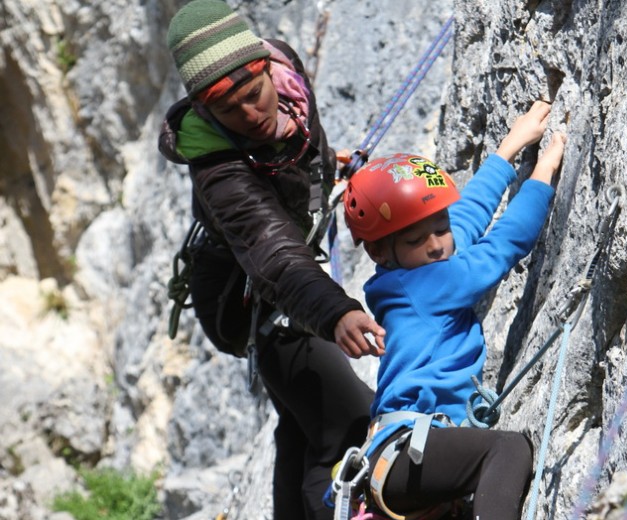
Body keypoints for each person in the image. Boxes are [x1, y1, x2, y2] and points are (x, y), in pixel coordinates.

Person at [158, 1, 385, 518]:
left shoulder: (285, 72)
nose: (251, 115)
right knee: (348, 426)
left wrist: (327, 165)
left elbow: (300, 147)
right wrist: (334, 311)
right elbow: (272, 251)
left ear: (266, 67)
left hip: (285, 287)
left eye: (254, 95)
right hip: (253, 302)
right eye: (229, 111)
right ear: (206, 112)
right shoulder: (216, 168)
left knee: (304, 431)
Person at [341, 100, 566, 519]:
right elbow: (499, 248)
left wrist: (509, 148)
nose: (435, 244)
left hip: (408, 455)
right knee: (507, 448)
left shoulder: (415, 268)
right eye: (415, 240)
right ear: (379, 252)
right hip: (408, 449)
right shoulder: (424, 284)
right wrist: (543, 175)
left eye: (437, 229)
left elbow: (463, 221)